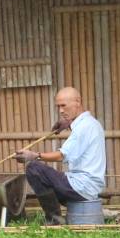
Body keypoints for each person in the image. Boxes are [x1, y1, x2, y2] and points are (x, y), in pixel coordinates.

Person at [15, 87, 105, 225]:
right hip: (86, 187)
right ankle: (54, 218)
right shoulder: (89, 123)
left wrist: (34, 155)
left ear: (78, 102)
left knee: (34, 168)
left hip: (81, 187)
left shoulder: (84, 127)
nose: (61, 111)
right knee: (41, 172)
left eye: (64, 105)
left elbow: (61, 156)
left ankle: (53, 218)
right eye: (58, 107)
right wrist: (69, 123)